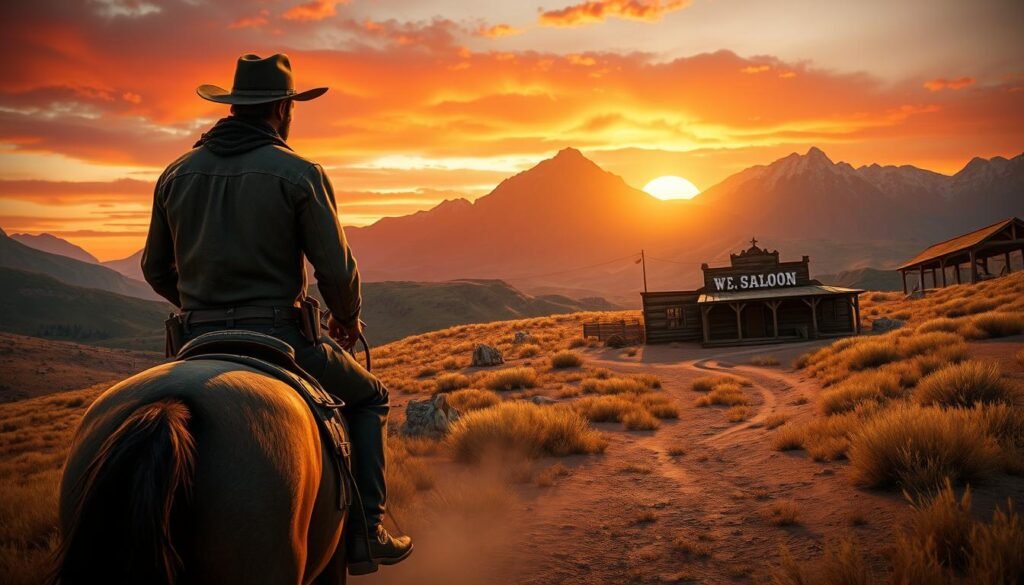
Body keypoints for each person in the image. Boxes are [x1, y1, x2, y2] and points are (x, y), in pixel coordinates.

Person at [141, 53, 412, 576]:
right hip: (281, 336)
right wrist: (346, 318)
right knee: (369, 398)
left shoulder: (174, 174)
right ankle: (366, 531)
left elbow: (155, 267)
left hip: (194, 338)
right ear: (284, 109)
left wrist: (201, 305)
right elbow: (335, 269)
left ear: (235, 107)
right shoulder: (298, 173)